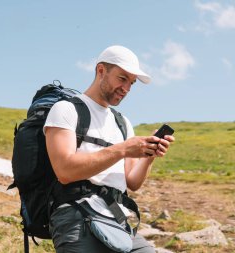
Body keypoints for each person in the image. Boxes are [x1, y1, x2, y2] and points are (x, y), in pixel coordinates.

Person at [44, 45, 175, 253]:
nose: (126, 89)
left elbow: (132, 182)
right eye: (122, 78)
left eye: (131, 83)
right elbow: (65, 171)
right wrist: (122, 149)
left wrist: (148, 156)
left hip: (117, 218)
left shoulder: (122, 123)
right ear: (101, 71)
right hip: (75, 216)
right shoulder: (66, 110)